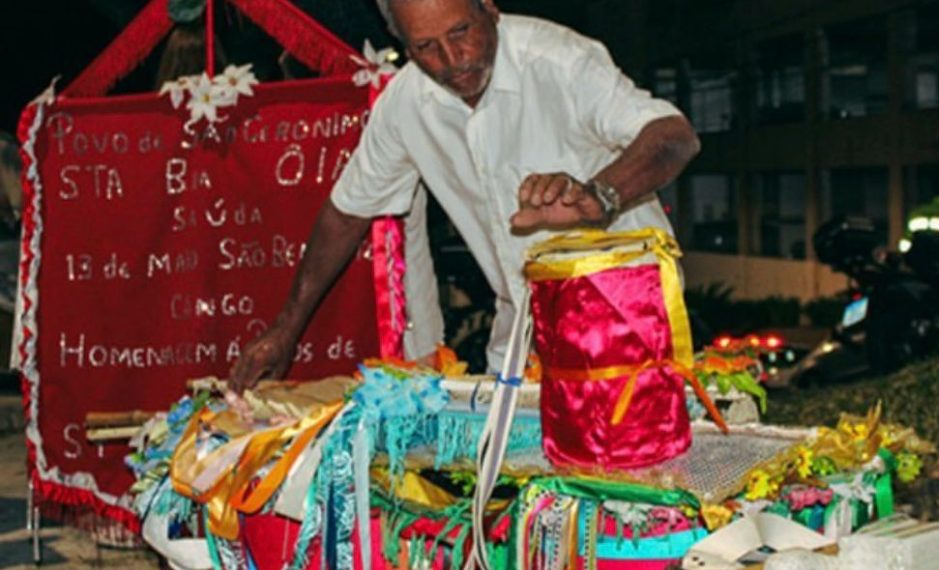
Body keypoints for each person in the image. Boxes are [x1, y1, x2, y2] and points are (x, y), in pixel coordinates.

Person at [230, 0, 700, 390]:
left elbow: (674, 135)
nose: (453, 61)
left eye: (461, 32)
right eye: (426, 47)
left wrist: (601, 196)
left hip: (629, 329)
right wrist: (285, 331)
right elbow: (346, 214)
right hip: (520, 336)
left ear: (489, 8)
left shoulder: (558, 59)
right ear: (404, 47)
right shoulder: (405, 103)